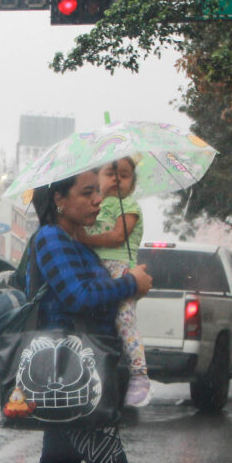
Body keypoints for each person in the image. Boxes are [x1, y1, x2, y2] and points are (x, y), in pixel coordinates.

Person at [0, 168, 194, 463]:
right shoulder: (51, 239)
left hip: (82, 377)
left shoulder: (73, 240)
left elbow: (90, 294)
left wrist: (124, 284)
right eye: (87, 193)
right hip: (72, 381)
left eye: (99, 193)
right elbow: (79, 296)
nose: (97, 202)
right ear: (59, 200)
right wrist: (130, 284)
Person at [75, 156, 151, 406]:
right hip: (97, 269)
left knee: (124, 321)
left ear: (133, 183)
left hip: (120, 269)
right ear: (97, 178)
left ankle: (140, 375)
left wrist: (85, 239)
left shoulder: (129, 206)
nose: (117, 178)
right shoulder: (96, 205)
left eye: (125, 175)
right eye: (110, 173)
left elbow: (118, 236)